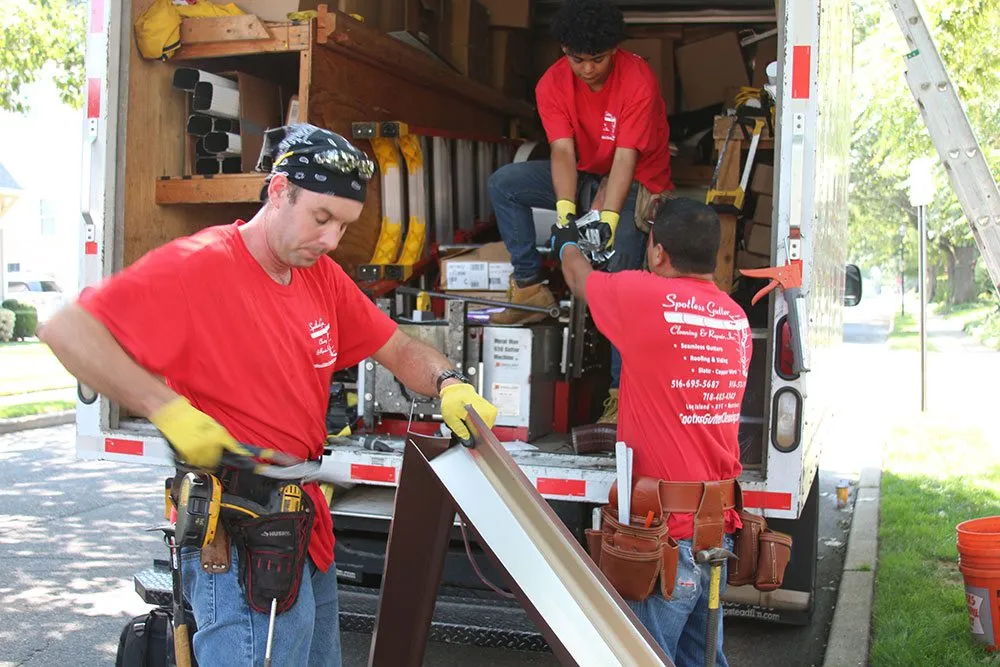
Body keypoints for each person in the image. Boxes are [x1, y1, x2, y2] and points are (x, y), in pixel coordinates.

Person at [38, 124, 498, 667]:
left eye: (343, 225)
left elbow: (397, 348)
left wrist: (449, 384)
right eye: (321, 218)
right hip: (238, 544)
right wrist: (166, 407)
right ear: (279, 191)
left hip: (305, 531)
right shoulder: (202, 264)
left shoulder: (320, 277)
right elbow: (66, 329)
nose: (330, 239)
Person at [550, 197, 751, 665]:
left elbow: (579, 279)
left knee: (643, 657)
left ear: (657, 251)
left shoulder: (644, 297)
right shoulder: (734, 318)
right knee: (702, 659)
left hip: (664, 537)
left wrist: (565, 244)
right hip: (713, 531)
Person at [487, 0, 674, 424]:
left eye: (598, 59)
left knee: (620, 269)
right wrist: (566, 216)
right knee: (504, 184)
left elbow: (626, 158)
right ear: (563, 51)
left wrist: (608, 221)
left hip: (639, 178)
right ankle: (530, 286)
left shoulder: (638, 78)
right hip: (586, 172)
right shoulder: (552, 84)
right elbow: (562, 150)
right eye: (577, 59)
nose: (588, 69)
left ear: (615, 51)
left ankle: (620, 395)